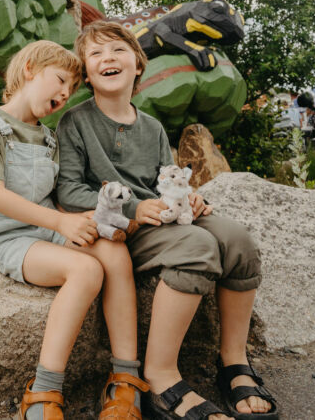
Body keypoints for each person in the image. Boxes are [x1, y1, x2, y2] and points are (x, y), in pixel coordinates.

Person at [56, 21, 279, 420]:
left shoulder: (153, 126)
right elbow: (69, 191)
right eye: (96, 54)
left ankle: (232, 361)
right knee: (198, 246)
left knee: (239, 241)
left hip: (162, 218)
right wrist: (131, 210)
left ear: (137, 64)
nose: (108, 58)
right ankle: (160, 376)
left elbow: (166, 183)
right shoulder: (76, 123)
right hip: (121, 230)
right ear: (86, 74)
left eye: (118, 50)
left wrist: (187, 197)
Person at [0, 40, 147, 420]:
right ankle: (44, 389)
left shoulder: (48, 136)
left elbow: (57, 196)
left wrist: (96, 222)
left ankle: (125, 380)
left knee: (113, 251)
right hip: (9, 236)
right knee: (86, 269)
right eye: (60, 81)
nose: (64, 94)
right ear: (30, 68)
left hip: (46, 226)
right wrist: (62, 223)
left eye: (70, 91)